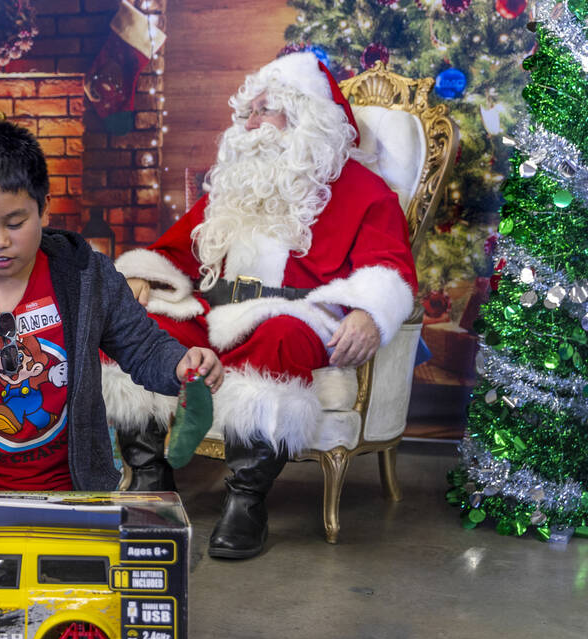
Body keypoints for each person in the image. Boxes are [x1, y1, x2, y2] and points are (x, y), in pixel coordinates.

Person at [103, 52, 416, 560]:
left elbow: (389, 268)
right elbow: (175, 248)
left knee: (279, 337)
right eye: (247, 112)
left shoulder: (364, 192)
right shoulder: (232, 186)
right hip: (215, 310)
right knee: (139, 326)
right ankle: (150, 477)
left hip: (298, 316)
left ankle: (245, 501)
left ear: (304, 119)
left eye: (263, 111)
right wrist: (141, 275)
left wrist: (368, 312)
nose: (249, 124)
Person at [0, 120, 222, 491]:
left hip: (70, 491)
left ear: (44, 210)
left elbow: (143, 346)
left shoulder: (85, 275)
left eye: (16, 222)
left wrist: (181, 363)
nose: (0, 241)